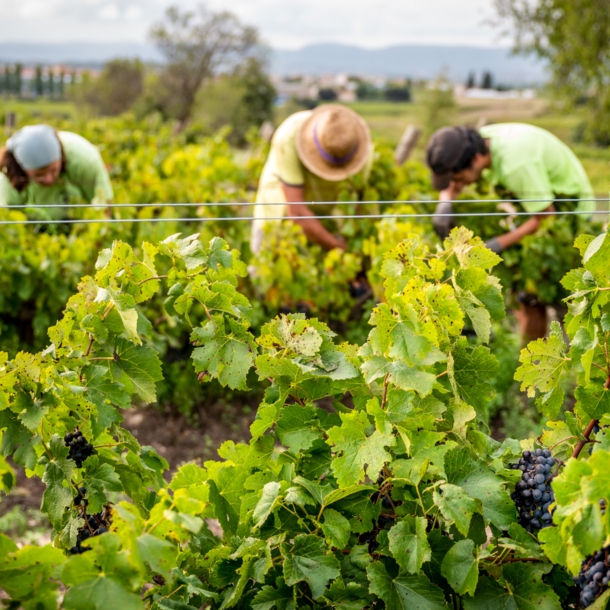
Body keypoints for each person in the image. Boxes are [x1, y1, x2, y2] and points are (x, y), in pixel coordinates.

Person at [426, 123, 595, 339]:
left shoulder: (515, 165)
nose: (457, 184)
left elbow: (546, 217)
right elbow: (455, 180)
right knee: (525, 298)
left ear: (475, 160)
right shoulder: (481, 143)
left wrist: (496, 244)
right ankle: (533, 357)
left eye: (458, 179)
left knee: (547, 294)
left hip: (568, 211)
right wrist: (445, 202)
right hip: (538, 202)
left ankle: (574, 348)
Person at [251, 104, 373, 255]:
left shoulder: (359, 151)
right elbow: (296, 212)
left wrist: (352, 250)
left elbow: (353, 204)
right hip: (276, 216)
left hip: (325, 219)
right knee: (264, 271)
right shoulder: (289, 136)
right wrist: (337, 247)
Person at [0, 124, 113, 218]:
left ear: (61, 158)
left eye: (54, 170)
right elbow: (10, 220)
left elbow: (104, 207)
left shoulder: (85, 159)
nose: (48, 179)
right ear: (22, 169)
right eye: (39, 175)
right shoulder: (10, 173)